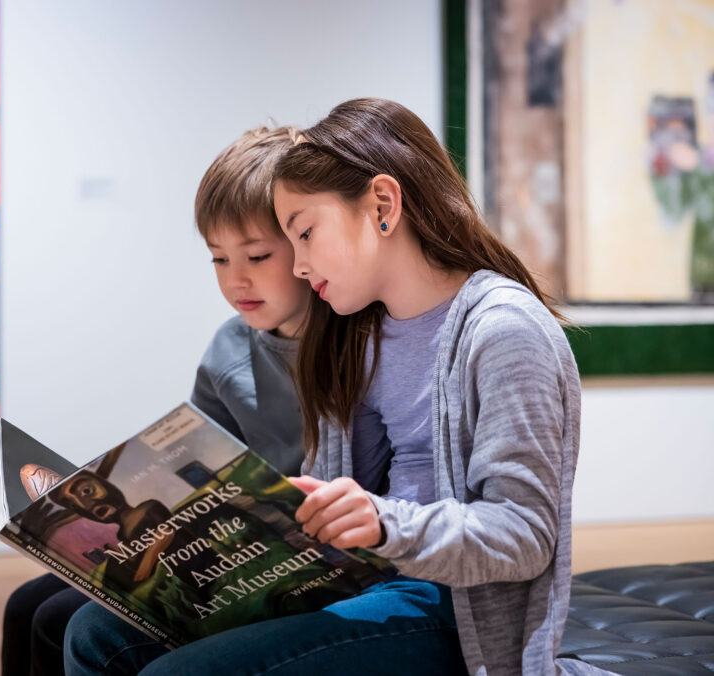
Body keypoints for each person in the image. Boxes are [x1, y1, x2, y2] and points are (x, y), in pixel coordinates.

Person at [63, 98, 581, 676]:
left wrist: (385, 522)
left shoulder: (503, 330)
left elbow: (527, 534)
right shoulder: (366, 331)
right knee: (93, 634)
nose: (301, 266)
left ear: (382, 205)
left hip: (453, 608)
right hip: (362, 577)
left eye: (305, 234)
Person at [1, 125, 313, 676]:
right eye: (218, 260)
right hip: (210, 539)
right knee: (26, 604)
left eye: (258, 255)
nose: (236, 279)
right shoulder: (228, 347)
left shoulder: (348, 344)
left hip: (282, 550)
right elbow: (197, 462)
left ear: (307, 246)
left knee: (60, 624)